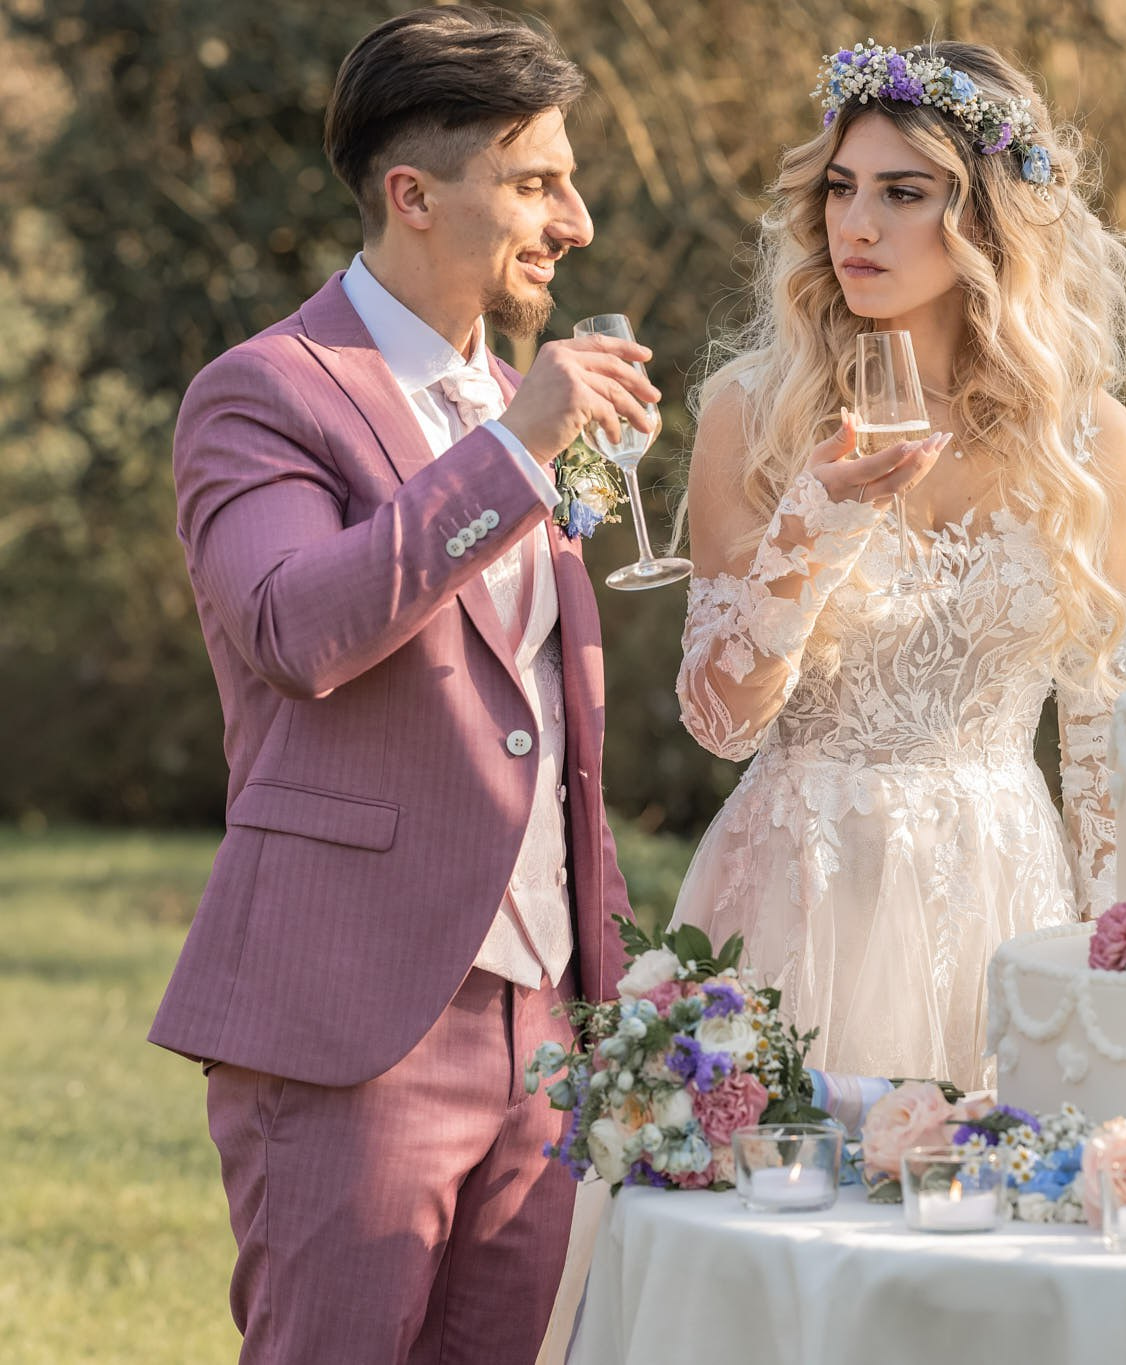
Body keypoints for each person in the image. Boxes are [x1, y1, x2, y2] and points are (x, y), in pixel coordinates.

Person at [149, 9, 651, 1360]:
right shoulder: (266, 393)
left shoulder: (521, 399)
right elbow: (294, 627)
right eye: (536, 183)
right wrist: (519, 449)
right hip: (354, 1014)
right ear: (413, 195)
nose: (576, 222)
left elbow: (545, 712)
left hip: (548, 1022)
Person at [672, 40, 1126, 1087]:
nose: (855, 223)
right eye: (840, 188)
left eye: (902, 192)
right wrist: (812, 528)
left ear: (990, 220)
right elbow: (719, 721)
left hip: (1005, 896)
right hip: (804, 894)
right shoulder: (752, 412)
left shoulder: (1087, 440)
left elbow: (1100, 734)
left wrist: (1117, 949)